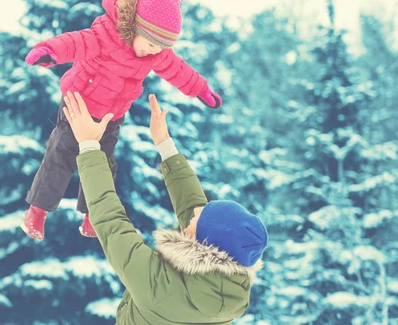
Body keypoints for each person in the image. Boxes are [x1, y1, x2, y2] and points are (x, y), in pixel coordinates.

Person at [21, 0, 222, 240]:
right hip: (78, 105)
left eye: (160, 47)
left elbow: (178, 70)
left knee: (104, 164)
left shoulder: (156, 52)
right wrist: (49, 51)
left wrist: (201, 90)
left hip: (110, 116)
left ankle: (94, 213)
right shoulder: (106, 35)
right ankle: (38, 210)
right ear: (135, 28)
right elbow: (75, 42)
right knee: (61, 155)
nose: (154, 52)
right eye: (151, 44)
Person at [62, 91, 268, 324]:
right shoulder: (230, 292)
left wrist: (89, 146)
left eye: (197, 219)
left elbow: (111, 223)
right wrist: (165, 145)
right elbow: (194, 207)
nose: (191, 216)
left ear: (203, 244)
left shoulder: (159, 289)